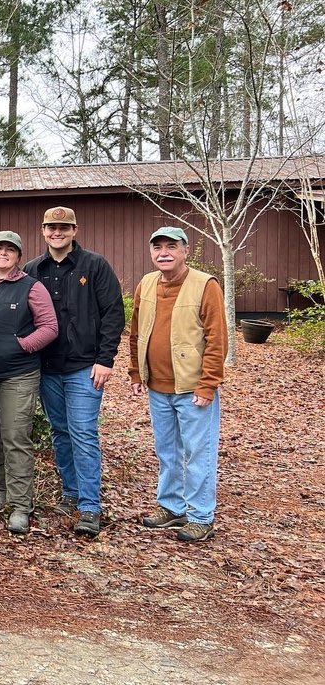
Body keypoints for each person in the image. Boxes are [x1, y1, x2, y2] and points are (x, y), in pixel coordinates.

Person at [24, 206, 124, 538]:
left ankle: (90, 506)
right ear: (43, 230)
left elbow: (113, 313)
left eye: (64, 227)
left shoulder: (94, 266)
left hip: (84, 367)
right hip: (47, 367)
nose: (57, 232)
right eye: (52, 226)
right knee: (60, 431)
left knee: (83, 432)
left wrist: (105, 359)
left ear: (74, 230)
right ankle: (70, 492)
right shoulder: (31, 270)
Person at [129, 227, 227, 543]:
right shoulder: (146, 284)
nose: (164, 252)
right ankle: (171, 507)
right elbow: (136, 333)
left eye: (171, 246)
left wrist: (207, 384)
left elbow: (216, 339)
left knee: (198, 453)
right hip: (158, 387)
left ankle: (201, 517)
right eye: (157, 247)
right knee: (167, 452)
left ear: (185, 251)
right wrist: (136, 373)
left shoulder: (205, 285)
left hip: (192, 388)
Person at [0, 231, 58, 535]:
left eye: (10, 249)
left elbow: (49, 327)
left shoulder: (31, 287)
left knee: (16, 437)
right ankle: (2, 491)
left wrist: (21, 346)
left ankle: (21, 506)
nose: (3, 253)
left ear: (18, 256)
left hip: (18, 375)